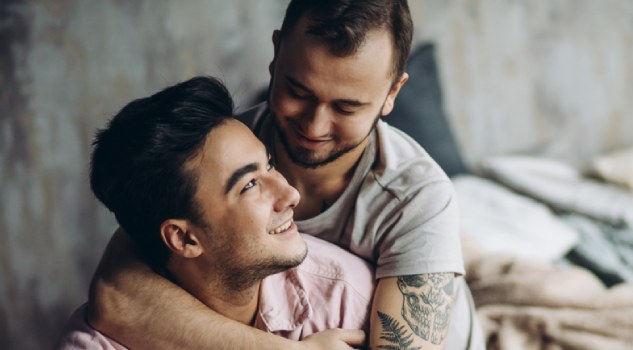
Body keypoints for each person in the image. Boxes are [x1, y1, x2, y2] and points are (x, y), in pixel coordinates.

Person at [88, 1, 483, 349]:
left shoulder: (418, 197)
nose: (314, 125)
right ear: (276, 54)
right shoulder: (222, 151)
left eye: (346, 107)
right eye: (299, 91)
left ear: (393, 93)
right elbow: (116, 299)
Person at [58, 76, 374, 349]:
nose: (290, 194)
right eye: (250, 185)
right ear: (183, 238)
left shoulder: (344, 293)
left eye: (270, 165)